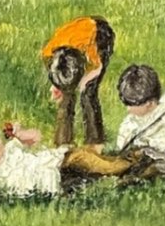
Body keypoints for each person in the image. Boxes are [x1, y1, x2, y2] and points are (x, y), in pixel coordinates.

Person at [0, 117, 136, 211]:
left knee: (88, 159)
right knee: (94, 173)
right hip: (56, 183)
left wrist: (20, 134)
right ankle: (132, 165)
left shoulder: (10, 148)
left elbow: (36, 137)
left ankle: (130, 163)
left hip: (60, 163)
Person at [41, 15, 115, 145]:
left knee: (88, 94)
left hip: (99, 34)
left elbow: (97, 68)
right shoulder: (48, 52)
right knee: (65, 99)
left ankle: (95, 141)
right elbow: (56, 71)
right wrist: (57, 85)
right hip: (76, 42)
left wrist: (84, 82)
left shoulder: (92, 53)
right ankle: (63, 142)